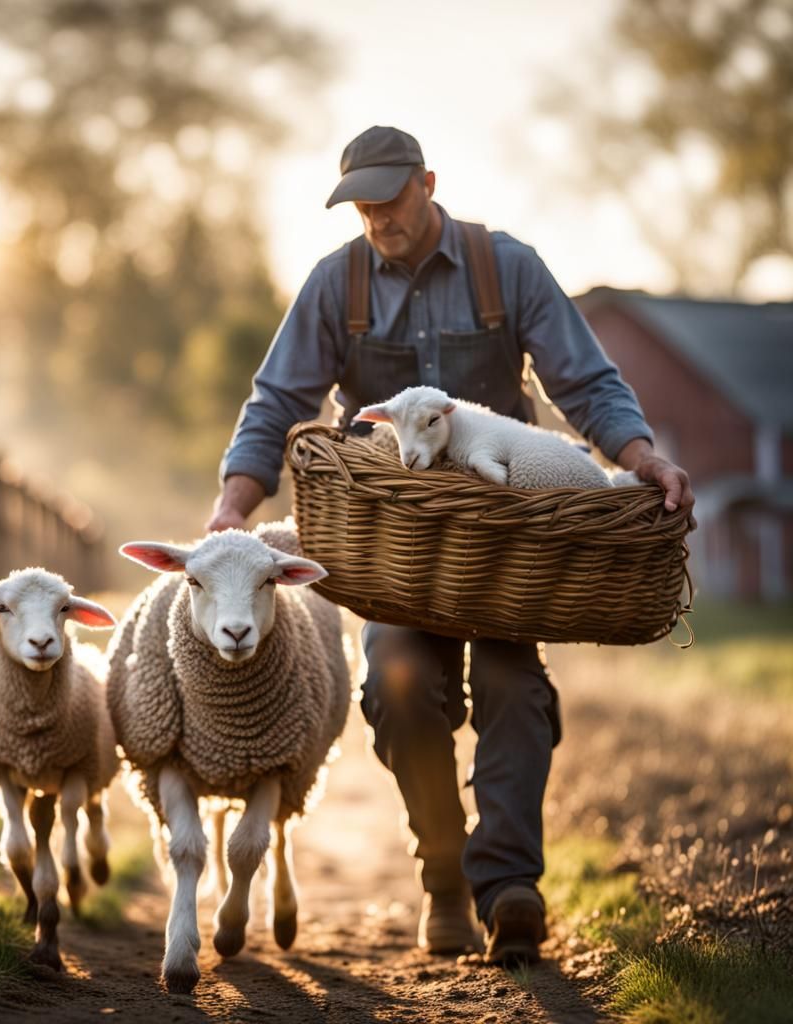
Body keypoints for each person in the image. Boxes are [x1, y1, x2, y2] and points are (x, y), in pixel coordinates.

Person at [207, 125, 694, 964]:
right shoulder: (336, 284)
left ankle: (509, 890)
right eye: (362, 204)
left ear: (428, 183)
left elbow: (585, 380)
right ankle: (442, 875)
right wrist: (231, 505)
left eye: (390, 199)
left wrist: (641, 457)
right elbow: (278, 398)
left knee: (513, 691)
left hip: (506, 546)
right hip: (396, 552)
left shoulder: (509, 268)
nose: (377, 218)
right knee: (396, 690)